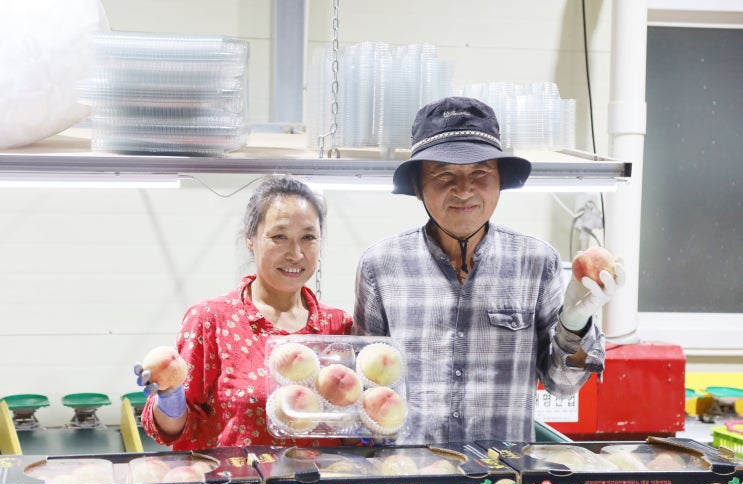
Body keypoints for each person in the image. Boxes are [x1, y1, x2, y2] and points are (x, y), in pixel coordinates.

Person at [352, 96, 625, 444]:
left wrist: (576, 323)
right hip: (409, 468)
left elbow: (562, 385)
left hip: (504, 470)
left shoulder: (536, 262)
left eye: (480, 172)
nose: (464, 189)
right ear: (418, 187)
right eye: (444, 173)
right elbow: (365, 388)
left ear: (500, 181)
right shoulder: (380, 266)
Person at [135, 175, 352, 449]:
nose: (296, 253)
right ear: (251, 238)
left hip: (323, 477)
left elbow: (355, 423)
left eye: (308, 237)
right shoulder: (211, 320)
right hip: (237, 477)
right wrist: (170, 398)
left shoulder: (338, 326)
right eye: (280, 236)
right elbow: (176, 430)